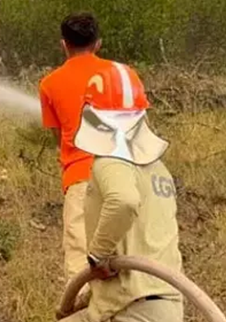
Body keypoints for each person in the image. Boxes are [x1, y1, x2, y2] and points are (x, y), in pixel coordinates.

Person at [58, 60, 183, 322]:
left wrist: (97, 256)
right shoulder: (158, 168)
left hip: (132, 306)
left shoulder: (111, 160)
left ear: (94, 116)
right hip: (164, 304)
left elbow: (124, 201)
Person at [39, 13, 112, 299]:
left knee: (80, 263)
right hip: (126, 176)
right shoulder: (122, 74)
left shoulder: (50, 84)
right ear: (98, 44)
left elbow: (59, 138)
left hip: (80, 178)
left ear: (63, 45)